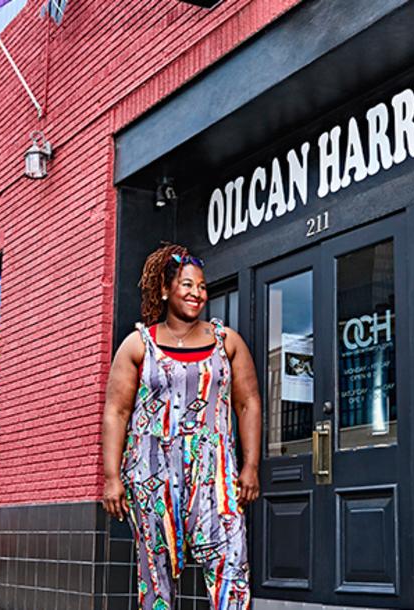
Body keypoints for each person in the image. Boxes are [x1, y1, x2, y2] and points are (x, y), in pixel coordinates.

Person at [101, 243, 263, 610]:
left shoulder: (227, 342)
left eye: (202, 286)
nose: (197, 294)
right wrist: (112, 477)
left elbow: (248, 402)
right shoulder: (137, 345)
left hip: (215, 473)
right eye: (187, 285)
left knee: (231, 561)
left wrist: (250, 466)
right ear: (164, 289)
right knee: (155, 571)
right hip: (150, 471)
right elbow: (116, 412)